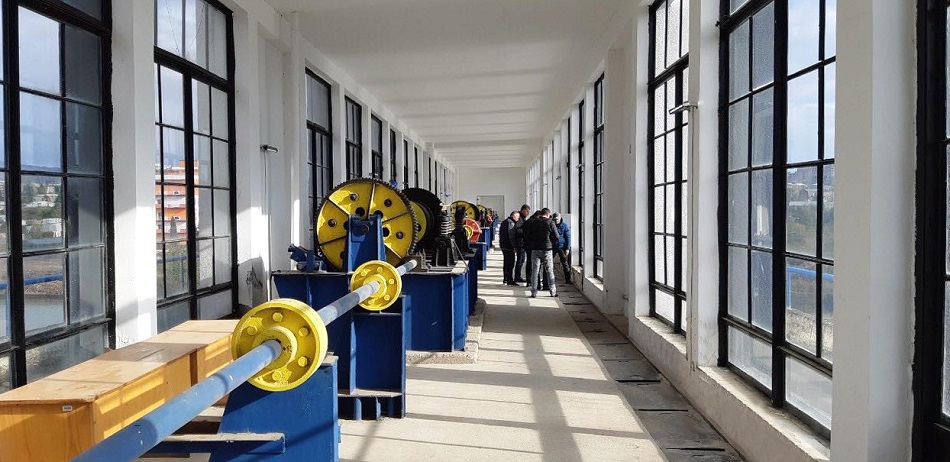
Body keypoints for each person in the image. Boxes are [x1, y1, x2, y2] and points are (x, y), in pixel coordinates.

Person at [522, 208, 559, 298]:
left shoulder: (534, 222)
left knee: (535, 271)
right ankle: (552, 292)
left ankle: (534, 292)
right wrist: (550, 241)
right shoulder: (550, 222)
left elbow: (527, 235)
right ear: (548, 214)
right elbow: (556, 236)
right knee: (549, 271)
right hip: (547, 249)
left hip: (535, 249)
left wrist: (533, 242)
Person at [499, 211, 520, 286]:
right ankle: (509, 280)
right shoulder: (511, 223)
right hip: (509, 246)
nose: (518, 219)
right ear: (514, 216)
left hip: (503, 245)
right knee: (510, 263)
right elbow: (511, 236)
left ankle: (505, 279)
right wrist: (514, 246)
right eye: (517, 217)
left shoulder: (504, 222)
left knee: (506, 263)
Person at [513, 204, 531, 283]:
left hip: (522, 242)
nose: (528, 213)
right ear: (523, 210)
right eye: (527, 211)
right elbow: (518, 230)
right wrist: (526, 232)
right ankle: (517, 277)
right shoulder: (520, 219)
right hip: (520, 243)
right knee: (520, 260)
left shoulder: (522, 219)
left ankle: (518, 276)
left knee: (522, 260)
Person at [552, 213, 572, 284]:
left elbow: (568, 237)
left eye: (557, 219)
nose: (556, 221)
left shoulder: (564, 226)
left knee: (565, 263)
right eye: (554, 219)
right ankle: (550, 279)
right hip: (553, 246)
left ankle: (568, 279)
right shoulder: (551, 224)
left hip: (562, 247)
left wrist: (567, 248)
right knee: (549, 263)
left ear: (560, 218)